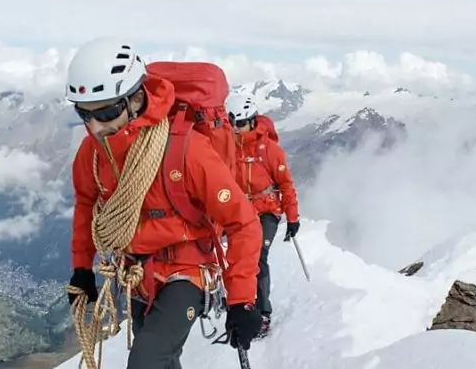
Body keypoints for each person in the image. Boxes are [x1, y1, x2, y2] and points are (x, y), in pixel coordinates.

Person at [64, 37, 264, 369]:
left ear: (137, 98)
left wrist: (242, 299)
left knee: (146, 361)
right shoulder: (94, 154)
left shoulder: (187, 150)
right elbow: (87, 204)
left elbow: (242, 222)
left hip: (188, 271)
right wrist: (82, 268)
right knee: (161, 362)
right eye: (84, 114)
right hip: (138, 272)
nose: (95, 127)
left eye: (107, 112)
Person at [225, 94, 301, 338]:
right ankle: (239, 302)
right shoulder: (228, 147)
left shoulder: (269, 149)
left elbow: (286, 184)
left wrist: (292, 217)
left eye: (240, 124)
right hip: (239, 210)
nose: (236, 129)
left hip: (266, 209)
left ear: (252, 121)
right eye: (232, 124)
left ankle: (262, 312)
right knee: (237, 257)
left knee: (257, 257)